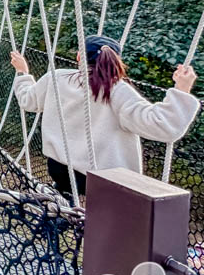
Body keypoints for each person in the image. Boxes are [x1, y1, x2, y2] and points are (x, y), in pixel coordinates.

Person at [10, 35, 199, 198]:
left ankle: (59, 214)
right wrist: (182, 90)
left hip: (60, 170)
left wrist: (22, 72)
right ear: (115, 61)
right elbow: (163, 126)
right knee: (106, 222)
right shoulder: (116, 90)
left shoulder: (56, 78)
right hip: (102, 180)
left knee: (64, 202)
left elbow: (28, 101)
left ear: (78, 56)